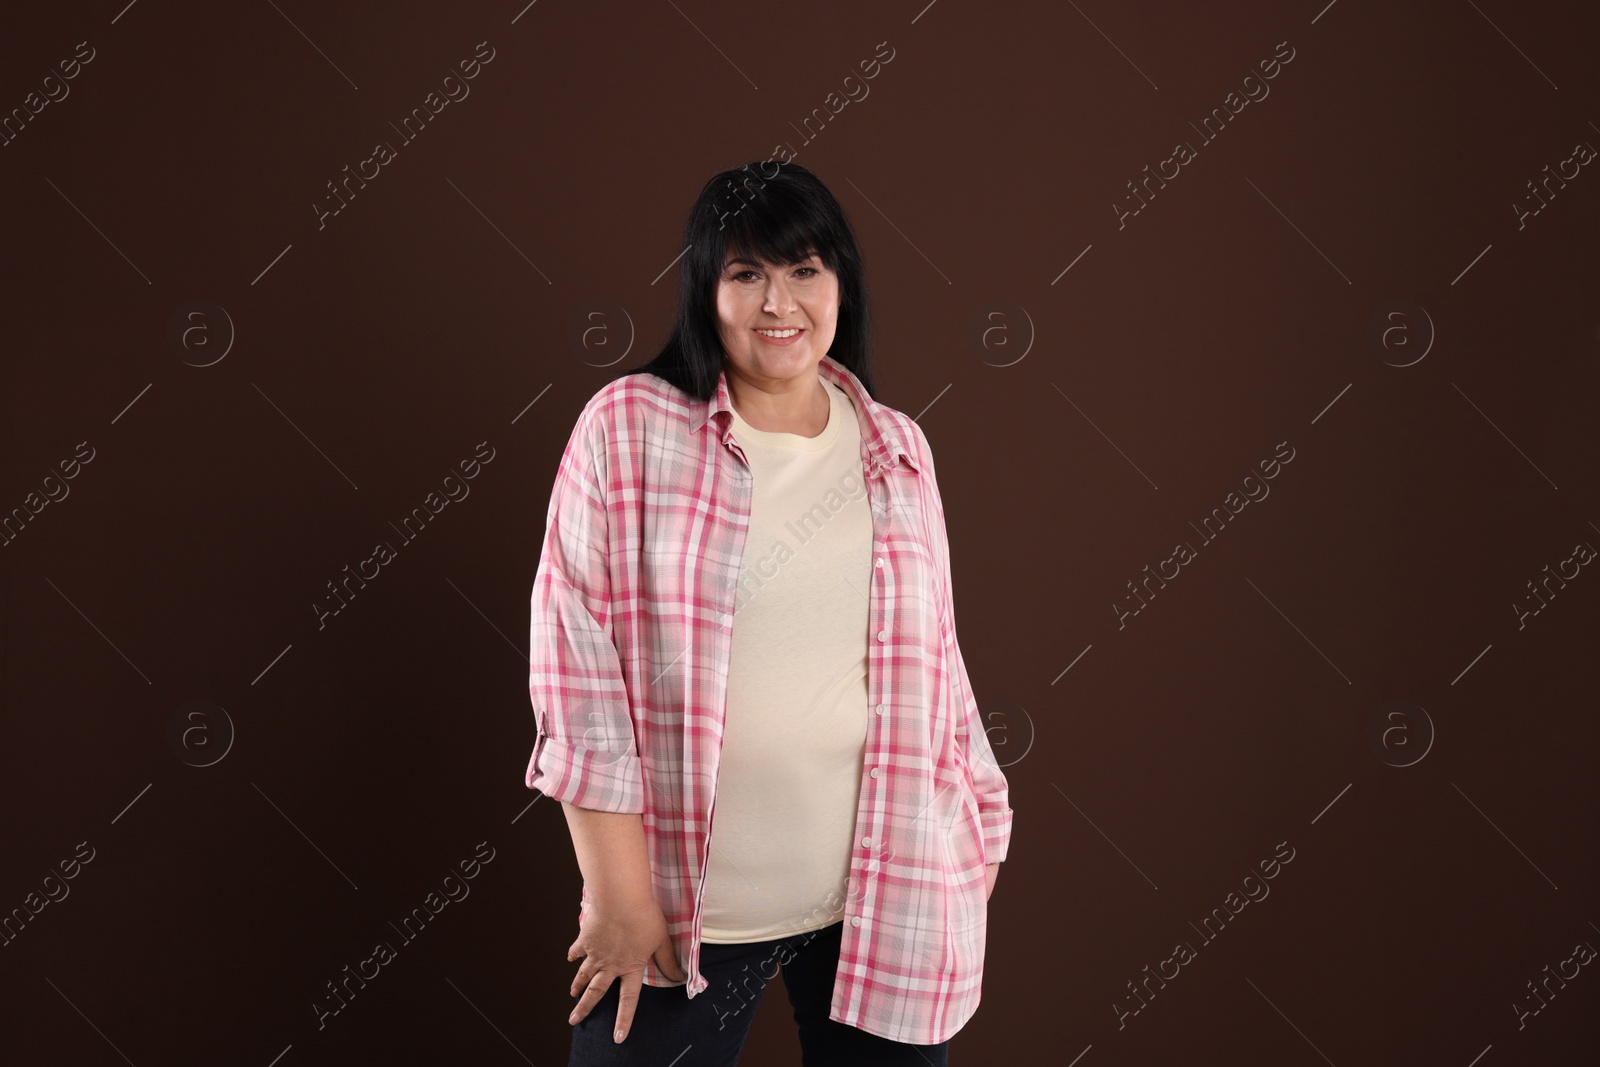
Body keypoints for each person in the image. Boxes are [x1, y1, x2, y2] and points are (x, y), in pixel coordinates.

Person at [525, 160, 1014, 1066]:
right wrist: (621, 898)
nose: (778, 302)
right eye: (746, 273)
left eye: (805, 270)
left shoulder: (897, 445)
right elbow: (576, 670)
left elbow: (938, 662)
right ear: (704, 291)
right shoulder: (626, 429)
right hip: (684, 907)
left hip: (881, 895)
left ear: (841, 287)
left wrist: (980, 826)